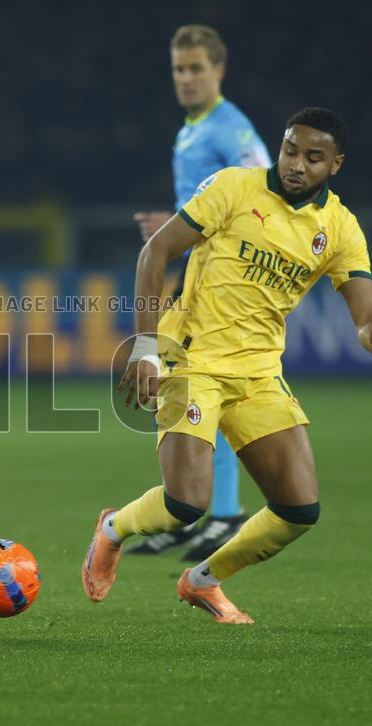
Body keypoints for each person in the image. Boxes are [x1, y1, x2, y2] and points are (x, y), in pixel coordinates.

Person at [84, 108, 372, 623]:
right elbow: (155, 253)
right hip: (190, 358)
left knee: (299, 511)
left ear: (336, 164)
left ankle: (203, 580)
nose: (297, 165)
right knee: (186, 505)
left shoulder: (340, 227)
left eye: (313, 158)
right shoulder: (233, 188)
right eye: (290, 151)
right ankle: (112, 530)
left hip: (259, 373)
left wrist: (369, 331)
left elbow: (363, 307)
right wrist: (146, 347)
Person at [130, 25, 270, 560]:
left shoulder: (228, 127)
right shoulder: (194, 128)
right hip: (198, 274)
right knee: (177, 390)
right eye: (178, 70)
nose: (186, 79)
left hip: (222, 283)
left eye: (196, 69)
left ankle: (222, 514)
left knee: (199, 388)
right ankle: (190, 512)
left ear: (219, 71)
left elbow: (264, 185)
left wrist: (182, 225)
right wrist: (178, 225)